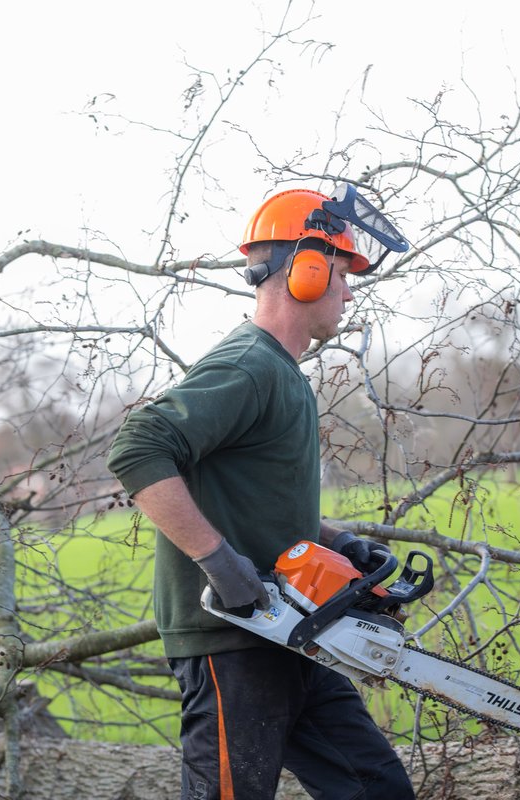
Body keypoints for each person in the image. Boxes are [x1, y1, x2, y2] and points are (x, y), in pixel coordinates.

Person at [106, 186, 417, 799]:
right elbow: (138, 449)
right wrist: (221, 564)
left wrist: (341, 544)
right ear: (306, 270)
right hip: (233, 643)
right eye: (343, 272)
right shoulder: (248, 364)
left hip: (291, 632)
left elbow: (252, 494)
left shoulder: (283, 374)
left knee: (376, 788)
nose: (350, 291)